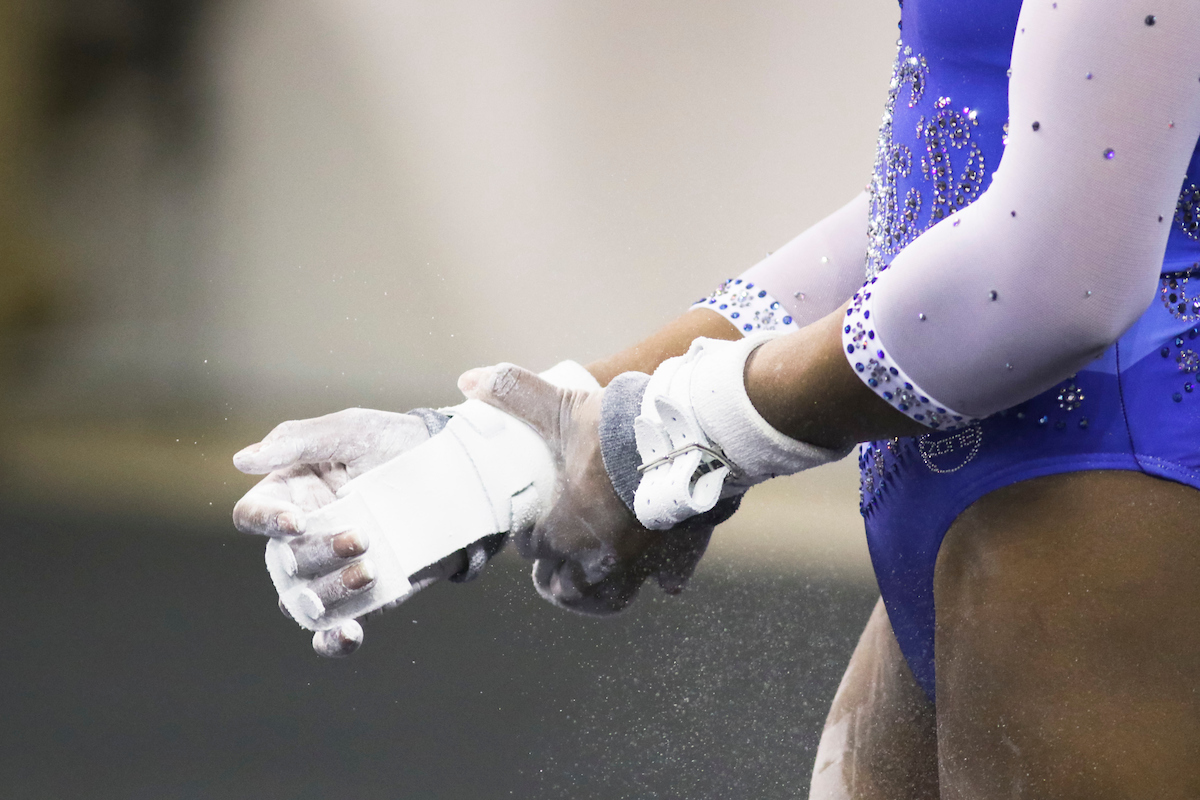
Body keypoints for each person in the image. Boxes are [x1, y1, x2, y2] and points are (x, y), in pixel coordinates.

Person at [234, 0, 1200, 795]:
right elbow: (1005, 162)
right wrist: (517, 445)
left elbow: (1057, 276)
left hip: (1118, 474)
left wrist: (681, 432)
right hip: (1005, 472)